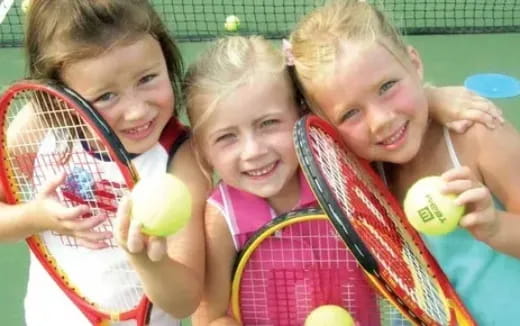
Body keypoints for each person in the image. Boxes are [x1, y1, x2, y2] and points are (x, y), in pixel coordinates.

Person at [182, 34, 504, 325]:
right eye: (227, 137)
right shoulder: (221, 219)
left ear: (302, 113)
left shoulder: (340, 170)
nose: (253, 151)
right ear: (203, 151)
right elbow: (210, 317)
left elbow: (385, 127)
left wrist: (432, 99)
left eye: (268, 123)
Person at [288, 1, 520, 324]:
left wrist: (494, 227)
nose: (381, 120)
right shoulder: (358, 172)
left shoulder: (477, 134)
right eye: (350, 113)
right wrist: (429, 99)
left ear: (415, 63)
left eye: (387, 86)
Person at [0, 0, 209, 325]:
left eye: (147, 78)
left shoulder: (182, 159)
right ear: (61, 97)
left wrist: (146, 260)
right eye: (106, 96)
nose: (138, 110)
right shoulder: (40, 126)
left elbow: (185, 300)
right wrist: (35, 216)